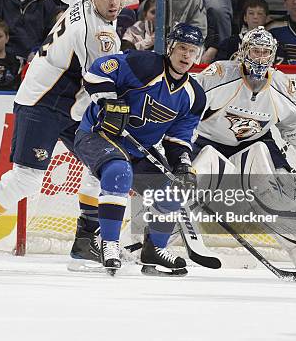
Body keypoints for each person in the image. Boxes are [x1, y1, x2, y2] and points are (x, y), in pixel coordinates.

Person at [0, 0, 124, 270]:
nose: (114, 3)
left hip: (65, 102)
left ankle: (84, 243)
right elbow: (98, 84)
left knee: (100, 164)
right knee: (28, 177)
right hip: (43, 101)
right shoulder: (98, 35)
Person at [74, 23, 206, 275]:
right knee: (118, 171)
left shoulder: (194, 95)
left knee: (175, 186)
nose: (186, 55)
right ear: (170, 48)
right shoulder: (144, 65)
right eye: (181, 48)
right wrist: (110, 101)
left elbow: (178, 137)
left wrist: (182, 165)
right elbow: (97, 71)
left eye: (192, 50)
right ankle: (109, 244)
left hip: (137, 148)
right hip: (97, 135)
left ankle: (154, 250)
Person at [192, 26, 296, 269]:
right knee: (186, 186)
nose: (260, 58)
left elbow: (294, 130)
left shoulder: (281, 85)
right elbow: (186, 110)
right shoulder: (219, 74)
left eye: (265, 52)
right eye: (255, 51)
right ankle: (146, 240)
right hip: (205, 145)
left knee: (269, 180)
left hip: (250, 147)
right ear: (243, 52)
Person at [205, 0, 269, 63]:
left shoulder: (274, 42)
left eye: (260, 14)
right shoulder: (230, 43)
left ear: (266, 18)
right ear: (245, 18)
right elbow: (219, 67)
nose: (255, 17)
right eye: (251, 13)